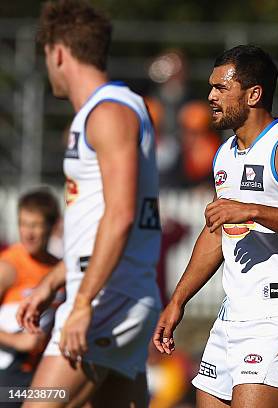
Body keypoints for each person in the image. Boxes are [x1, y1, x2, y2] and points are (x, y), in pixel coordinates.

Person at [152, 45, 278, 408]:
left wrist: (252, 210)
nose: (210, 96)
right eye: (211, 87)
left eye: (221, 88)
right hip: (231, 313)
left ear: (253, 94)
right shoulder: (224, 153)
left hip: (276, 316)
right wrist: (178, 300)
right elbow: (217, 230)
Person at [17, 1, 161, 406]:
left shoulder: (109, 112)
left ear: (58, 52)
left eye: (46, 55)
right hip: (115, 293)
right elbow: (101, 220)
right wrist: (53, 279)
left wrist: (81, 304)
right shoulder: (105, 112)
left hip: (107, 299)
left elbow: (120, 217)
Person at [0, 189, 60, 388]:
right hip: (7, 372)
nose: (28, 233)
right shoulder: (8, 266)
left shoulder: (59, 269)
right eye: (23, 224)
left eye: (35, 225)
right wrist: (17, 341)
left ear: (52, 226)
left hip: (44, 371)